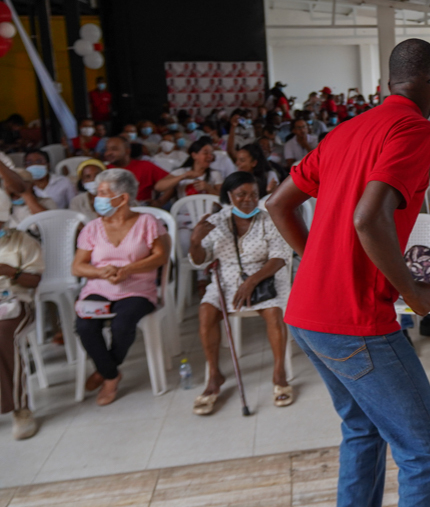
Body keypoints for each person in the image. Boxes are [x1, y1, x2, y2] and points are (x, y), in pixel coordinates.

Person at [267, 38, 430, 507]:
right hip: (355, 320)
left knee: (364, 432)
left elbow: (277, 204)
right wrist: (414, 294)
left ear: (387, 83)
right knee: (427, 450)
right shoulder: (413, 129)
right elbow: (368, 219)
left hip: (307, 313)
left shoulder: (345, 131)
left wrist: (318, 260)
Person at [188, 172, 294, 415]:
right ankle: (214, 375)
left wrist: (252, 282)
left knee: (274, 313)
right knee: (205, 312)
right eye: (241, 194)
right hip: (226, 280)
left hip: (264, 278)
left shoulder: (268, 219)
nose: (248, 200)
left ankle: (280, 374)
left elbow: (280, 257)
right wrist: (195, 242)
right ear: (229, 196)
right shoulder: (216, 221)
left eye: (253, 194)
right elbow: (200, 261)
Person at [72, 169, 170, 406]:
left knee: (122, 323)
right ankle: (112, 372)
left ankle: (106, 372)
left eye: (104, 193)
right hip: (99, 286)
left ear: (123, 197)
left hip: (137, 287)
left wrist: (128, 270)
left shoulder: (147, 222)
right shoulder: (93, 228)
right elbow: (77, 267)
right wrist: (100, 271)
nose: (98, 197)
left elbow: (160, 256)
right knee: (84, 325)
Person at [0, 212, 44, 439]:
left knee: (2, 335)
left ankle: (21, 410)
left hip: (16, 303)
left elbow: (35, 280)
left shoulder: (22, 241)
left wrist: (11, 271)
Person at [103, 136, 168, 204]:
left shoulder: (145, 166)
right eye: (106, 149)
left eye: (114, 149)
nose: (108, 153)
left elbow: (171, 183)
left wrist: (160, 202)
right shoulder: (104, 169)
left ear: (127, 151)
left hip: (140, 209)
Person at [153, 138, 223, 200]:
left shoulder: (215, 174)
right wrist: (183, 176)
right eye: (206, 153)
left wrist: (209, 188)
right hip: (183, 214)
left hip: (209, 213)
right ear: (194, 155)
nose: (210, 156)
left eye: (211, 153)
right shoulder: (181, 172)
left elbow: (223, 200)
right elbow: (158, 187)